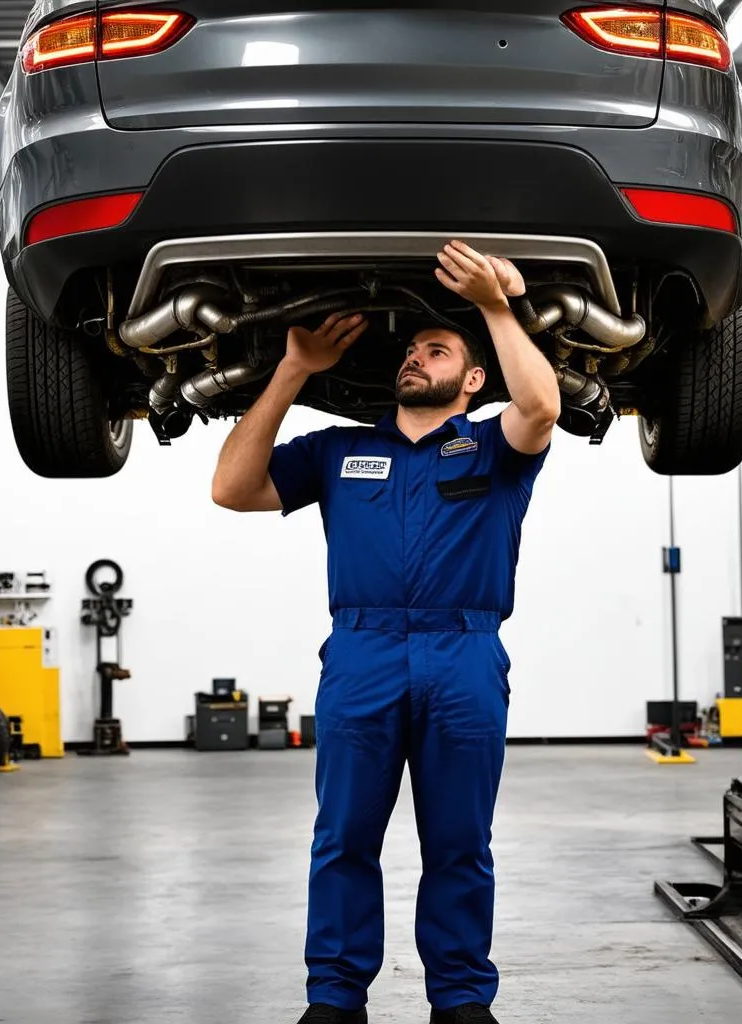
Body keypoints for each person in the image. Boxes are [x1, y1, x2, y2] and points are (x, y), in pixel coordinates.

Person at [212, 241, 561, 1024]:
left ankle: (462, 1000)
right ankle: (334, 999)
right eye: (409, 350)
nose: (414, 357)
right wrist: (294, 368)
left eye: (435, 349)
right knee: (342, 838)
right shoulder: (340, 450)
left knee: (461, 843)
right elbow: (231, 488)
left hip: (464, 652)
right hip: (362, 653)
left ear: (472, 380)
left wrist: (494, 306)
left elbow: (542, 406)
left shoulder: (496, 446)